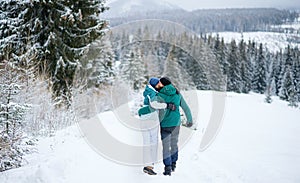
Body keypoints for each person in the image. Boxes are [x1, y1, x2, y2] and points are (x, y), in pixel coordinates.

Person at [139, 77, 193, 176]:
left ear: (163, 84)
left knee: (165, 146)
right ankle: (173, 164)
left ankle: (167, 168)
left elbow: (153, 105)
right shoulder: (177, 94)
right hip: (176, 123)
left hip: (164, 124)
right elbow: (186, 107)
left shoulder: (160, 95)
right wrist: (190, 120)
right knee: (174, 144)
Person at [139, 77, 176, 175]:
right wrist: (167, 105)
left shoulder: (147, 91)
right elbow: (154, 104)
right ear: (154, 85)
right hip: (151, 119)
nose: (160, 86)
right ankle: (149, 166)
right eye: (158, 84)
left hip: (144, 119)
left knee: (147, 143)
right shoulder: (152, 92)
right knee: (153, 142)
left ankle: (147, 166)